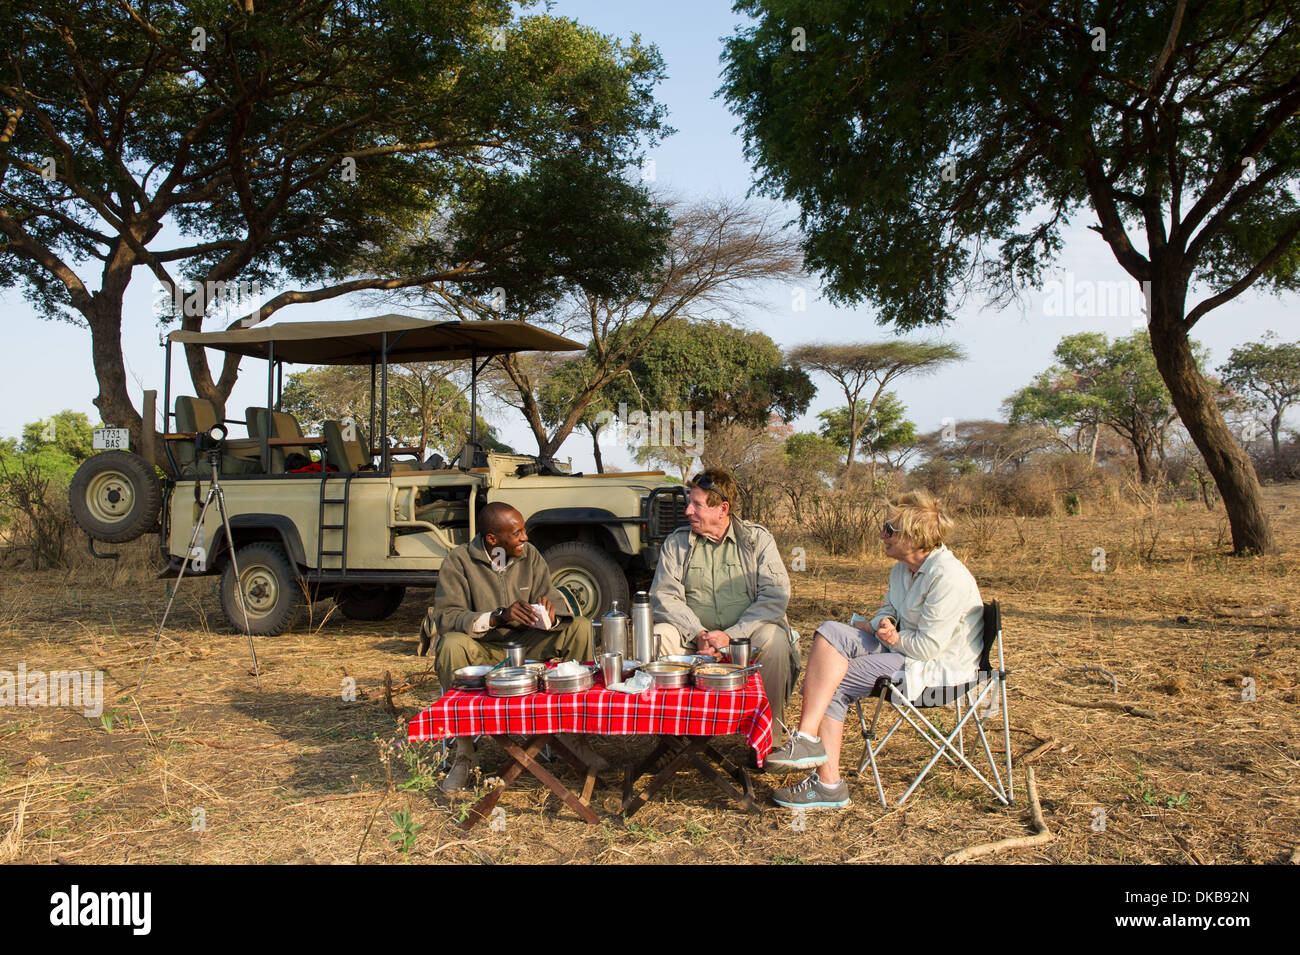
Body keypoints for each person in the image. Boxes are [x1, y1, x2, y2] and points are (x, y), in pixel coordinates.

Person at [766, 490, 983, 809]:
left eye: (889, 529)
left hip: (934, 671)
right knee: (829, 631)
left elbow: (927, 648)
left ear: (913, 535)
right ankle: (807, 739)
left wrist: (892, 638)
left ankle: (828, 785)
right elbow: (888, 608)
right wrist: (884, 622)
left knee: (832, 683)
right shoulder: (902, 569)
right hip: (903, 652)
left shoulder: (946, 577)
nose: (882, 534)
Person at [426, 501, 595, 793]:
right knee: (451, 644)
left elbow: (551, 592)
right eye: (517, 533)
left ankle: (573, 737)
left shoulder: (530, 556)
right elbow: (446, 616)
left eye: (524, 531)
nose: (525, 538)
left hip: (527, 643)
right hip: (482, 647)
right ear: (493, 539)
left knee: (578, 627)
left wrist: (552, 609)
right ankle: (464, 753)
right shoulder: (458, 561)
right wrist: (496, 616)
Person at [650, 468, 800, 719]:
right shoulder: (677, 543)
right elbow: (664, 596)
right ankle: (673, 733)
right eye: (689, 503)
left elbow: (775, 597)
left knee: (774, 639)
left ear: (722, 509)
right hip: (694, 641)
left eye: (696, 505)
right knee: (659, 634)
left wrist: (730, 638)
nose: (688, 511)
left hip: (746, 640)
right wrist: (698, 634)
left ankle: (768, 743)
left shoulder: (757, 540)